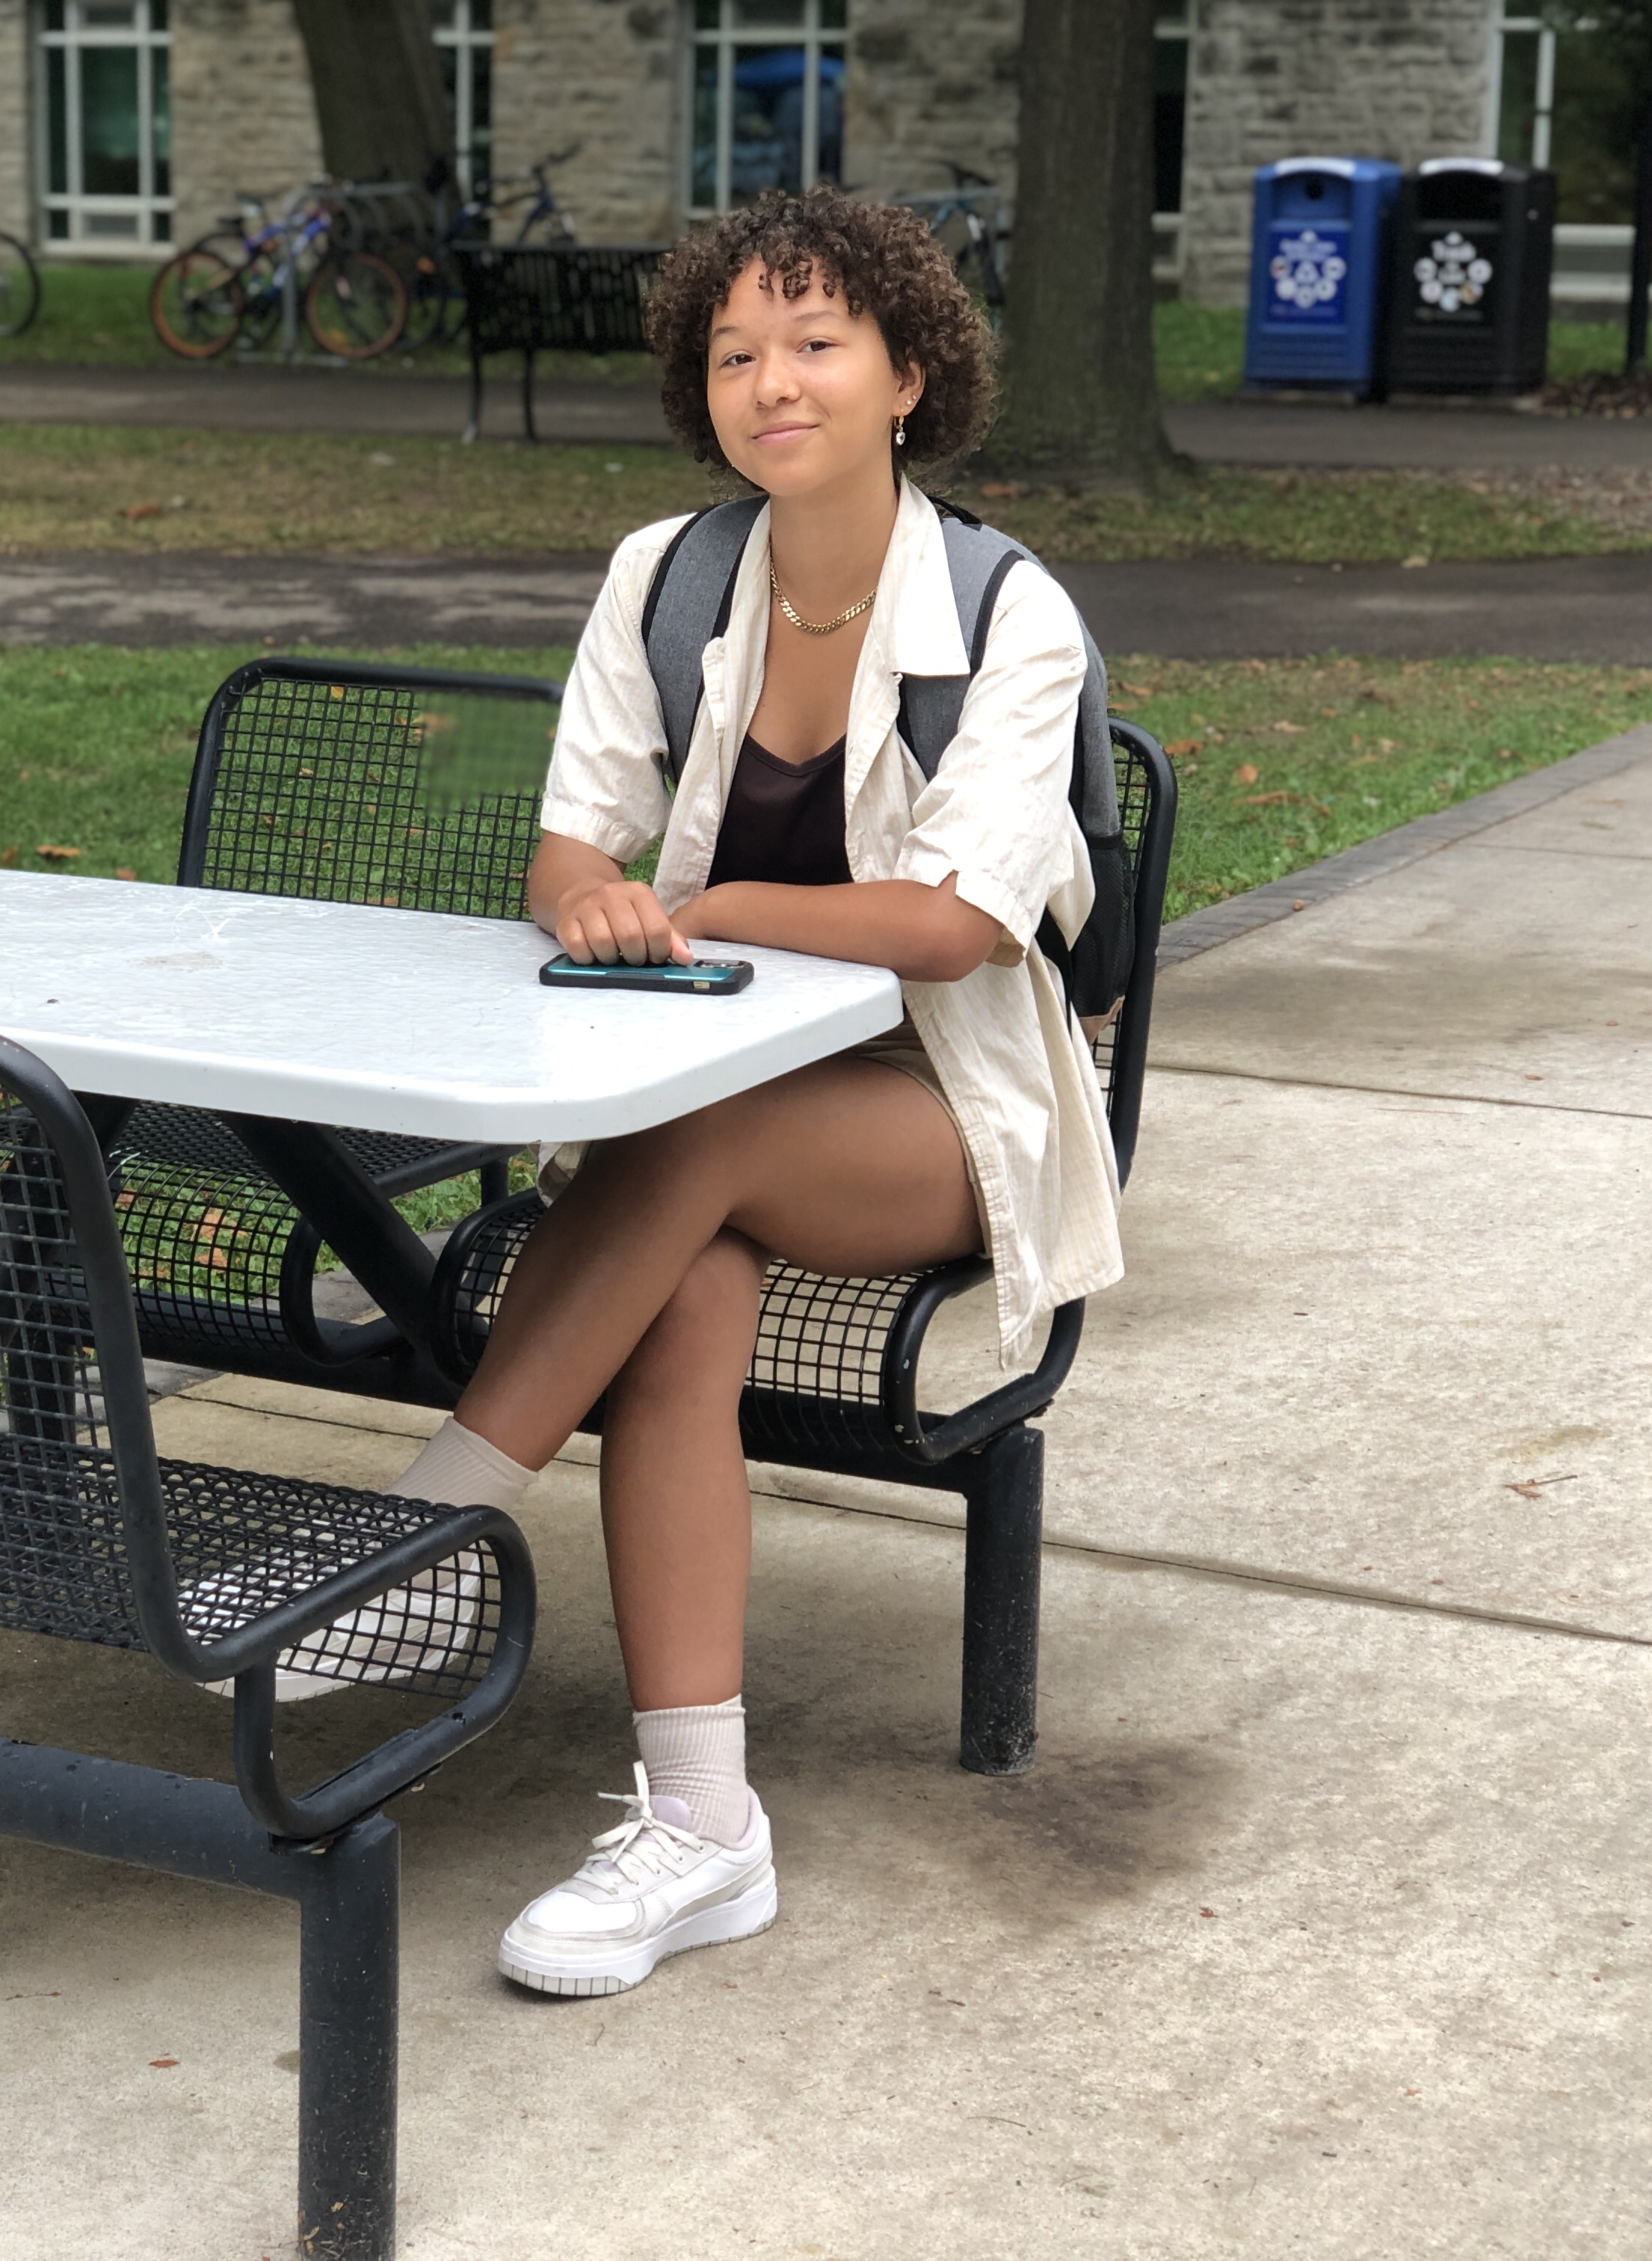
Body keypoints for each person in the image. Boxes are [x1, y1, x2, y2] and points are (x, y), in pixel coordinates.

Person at [273, 188, 1124, 1998]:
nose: (774, 381)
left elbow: (957, 926)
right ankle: (701, 1826)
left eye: (817, 343)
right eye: (736, 351)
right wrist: (587, 889)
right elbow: (578, 825)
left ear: (908, 374)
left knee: (703, 1137)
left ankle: (432, 1529)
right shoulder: (668, 573)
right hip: (706, 1123)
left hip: (937, 1118)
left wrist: (712, 901)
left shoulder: (1008, 613)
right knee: (688, 1304)